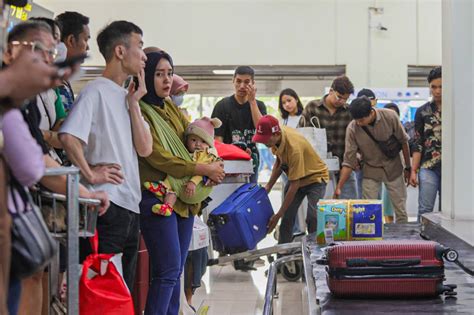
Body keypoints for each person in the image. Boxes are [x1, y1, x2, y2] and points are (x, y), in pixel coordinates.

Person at [3, 21, 109, 315]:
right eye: (40, 51)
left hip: (16, 209)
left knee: (36, 269)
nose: (49, 60)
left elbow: (37, 157)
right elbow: (30, 165)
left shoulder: (25, 103)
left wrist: (85, 189)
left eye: (52, 52)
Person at [59, 20, 152, 291]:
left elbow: (145, 148)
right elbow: (68, 136)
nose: (144, 55)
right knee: (102, 289)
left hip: (130, 205)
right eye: (140, 46)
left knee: (122, 289)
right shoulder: (95, 90)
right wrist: (89, 173)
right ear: (120, 51)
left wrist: (135, 103)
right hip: (106, 204)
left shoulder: (128, 96)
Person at [138, 50, 225, 315]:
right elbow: (157, 156)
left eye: (169, 73)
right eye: (158, 74)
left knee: (175, 271)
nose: (166, 80)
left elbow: (193, 142)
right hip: (158, 197)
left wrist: (213, 165)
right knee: (166, 271)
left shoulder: (172, 110)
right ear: (145, 76)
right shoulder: (140, 111)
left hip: (185, 201)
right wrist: (201, 167)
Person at [334, 96, 411, 223]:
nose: (358, 123)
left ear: (371, 112)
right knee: (368, 211)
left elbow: (404, 142)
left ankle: (402, 239)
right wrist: (339, 187)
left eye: (361, 120)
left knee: (400, 209)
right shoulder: (352, 128)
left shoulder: (390, 116)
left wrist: (408, 168)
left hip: (394, 168)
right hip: (371, 170)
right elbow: (349, 161)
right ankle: (371, 240)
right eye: (356, 120)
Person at [254, 115, 329, 244]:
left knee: (313, 217)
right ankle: (283, 252)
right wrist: (268, 187)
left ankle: (314, 252)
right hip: (297, 176)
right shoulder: (279, 135)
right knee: (287, 218)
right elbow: (279, 161)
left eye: (266, 140)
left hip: (315, 178)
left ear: (276, 134)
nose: (264, 143)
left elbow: (295, 185)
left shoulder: (294, 148)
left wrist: (278, 215)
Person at [143, 116, 222, 215]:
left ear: (209, 144)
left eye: (203, 141)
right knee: (173, 186)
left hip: (197, 186)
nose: (198, 144)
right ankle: (167, 206)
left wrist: (193, 183)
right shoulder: (188, 153)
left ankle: (163, 188)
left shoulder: (206, 155)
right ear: (187, 140)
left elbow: (203, 171)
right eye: (193, 140)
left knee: (174, 177)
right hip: (183, 186)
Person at [299, 75, 357, 199]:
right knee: (319, 207)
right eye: (339, 97)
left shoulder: (349, 111)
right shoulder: (312, 107)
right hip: (317, 169)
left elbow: (356, 139)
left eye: (345, 99)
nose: (342, 101)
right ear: (331, 91)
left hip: (343, 167)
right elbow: (301, 136)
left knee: (349, 206)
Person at [211, 66, 267, 183]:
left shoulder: (259, 106)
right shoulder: (222, 106)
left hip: (251, 160)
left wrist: (252, 102)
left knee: (249, 196)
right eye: (238, 81)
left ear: (253, 83)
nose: (242, 86)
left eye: (246, 82)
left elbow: (261, 131)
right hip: (228, 160)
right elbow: (218, 140)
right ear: (233, 81)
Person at [409, 66, 442, 221]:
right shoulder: (422, 111)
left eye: (441, 86)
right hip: (428, 166)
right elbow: (418, 142)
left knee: (448, 212)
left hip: (453, 170)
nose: (437, 91)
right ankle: (420, 243)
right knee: (424, 209)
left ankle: (448, 244)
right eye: (433, 87)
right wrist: (414, 170)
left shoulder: (458, 110)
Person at [55, 11, 91, 112]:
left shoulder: (64, 79)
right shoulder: (53, 82)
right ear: (71, 40)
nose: (88, 47)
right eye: (86, 40)